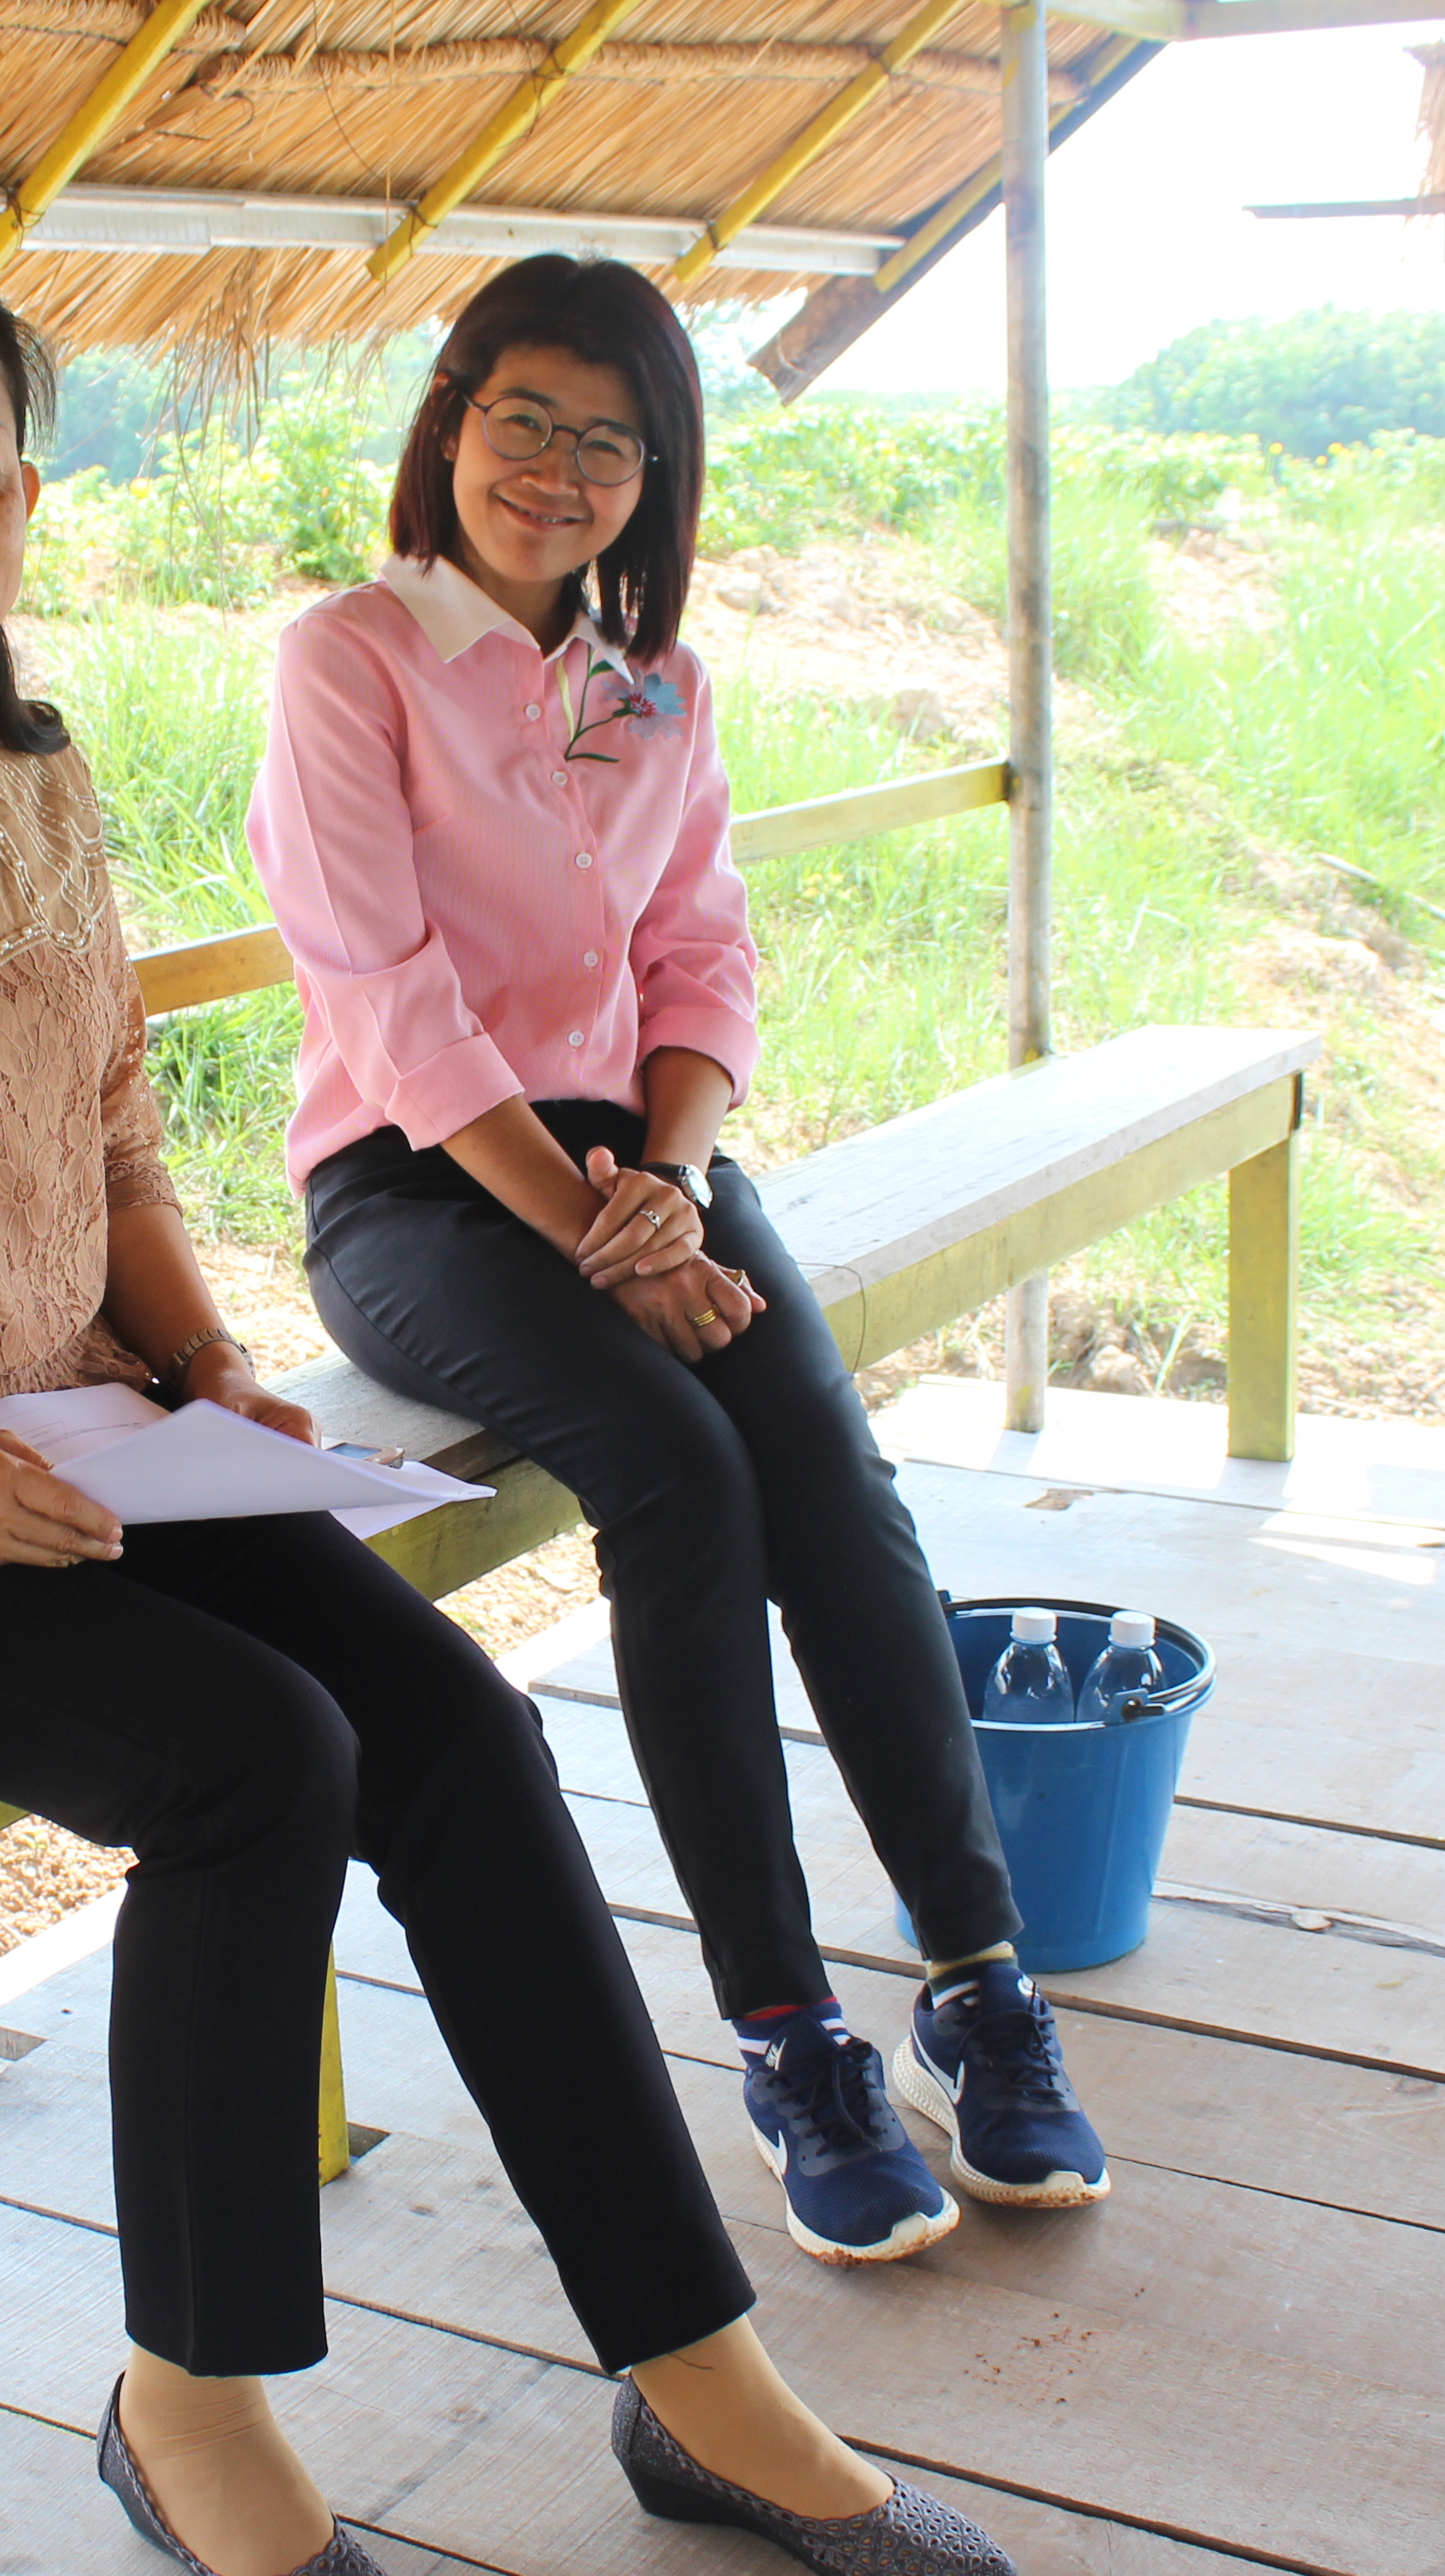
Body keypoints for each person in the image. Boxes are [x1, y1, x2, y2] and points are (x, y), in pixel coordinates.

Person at [0, 247, 1014, 2576]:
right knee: (256, 1762)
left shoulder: (30, 774)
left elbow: (101, 1133)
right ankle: (190, 2402)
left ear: (28, 493)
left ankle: (694, 2370)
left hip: (85, 1446)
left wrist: (202, 1360)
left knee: (468, 1735)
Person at [248, 254, 1116, 2271]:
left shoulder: (657, 688)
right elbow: (384, 995)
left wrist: (673, 1178)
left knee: (828, 1468)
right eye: (523, 420)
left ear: (658, 471)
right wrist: (598, 1230)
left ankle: (978, 1979)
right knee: (680, 1472)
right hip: (417, 1190)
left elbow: (700, 954)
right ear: (450, 417)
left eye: (607, 440)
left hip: (645, 1166)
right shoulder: (351, 659)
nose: (556, 471)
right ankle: (788, 2030)